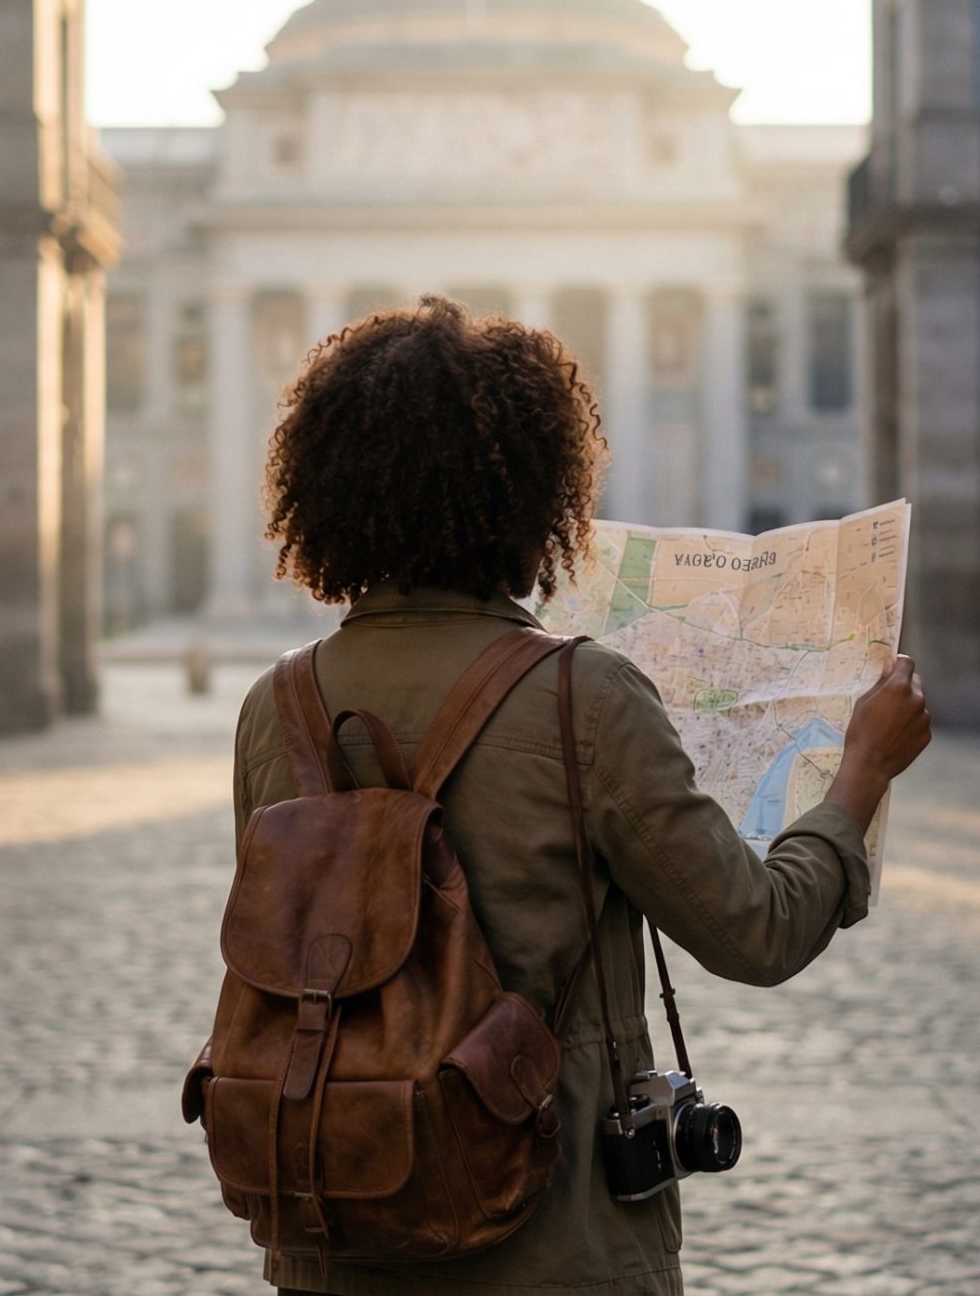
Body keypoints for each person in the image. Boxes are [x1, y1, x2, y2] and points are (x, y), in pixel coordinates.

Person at [236, 295, 934, 1296]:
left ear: (328, 487)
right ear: (535, 497)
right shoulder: (583, 695)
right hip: (551, 1242)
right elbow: (757, 931)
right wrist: (861, 768)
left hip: (336, 1225)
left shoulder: (278, 706)